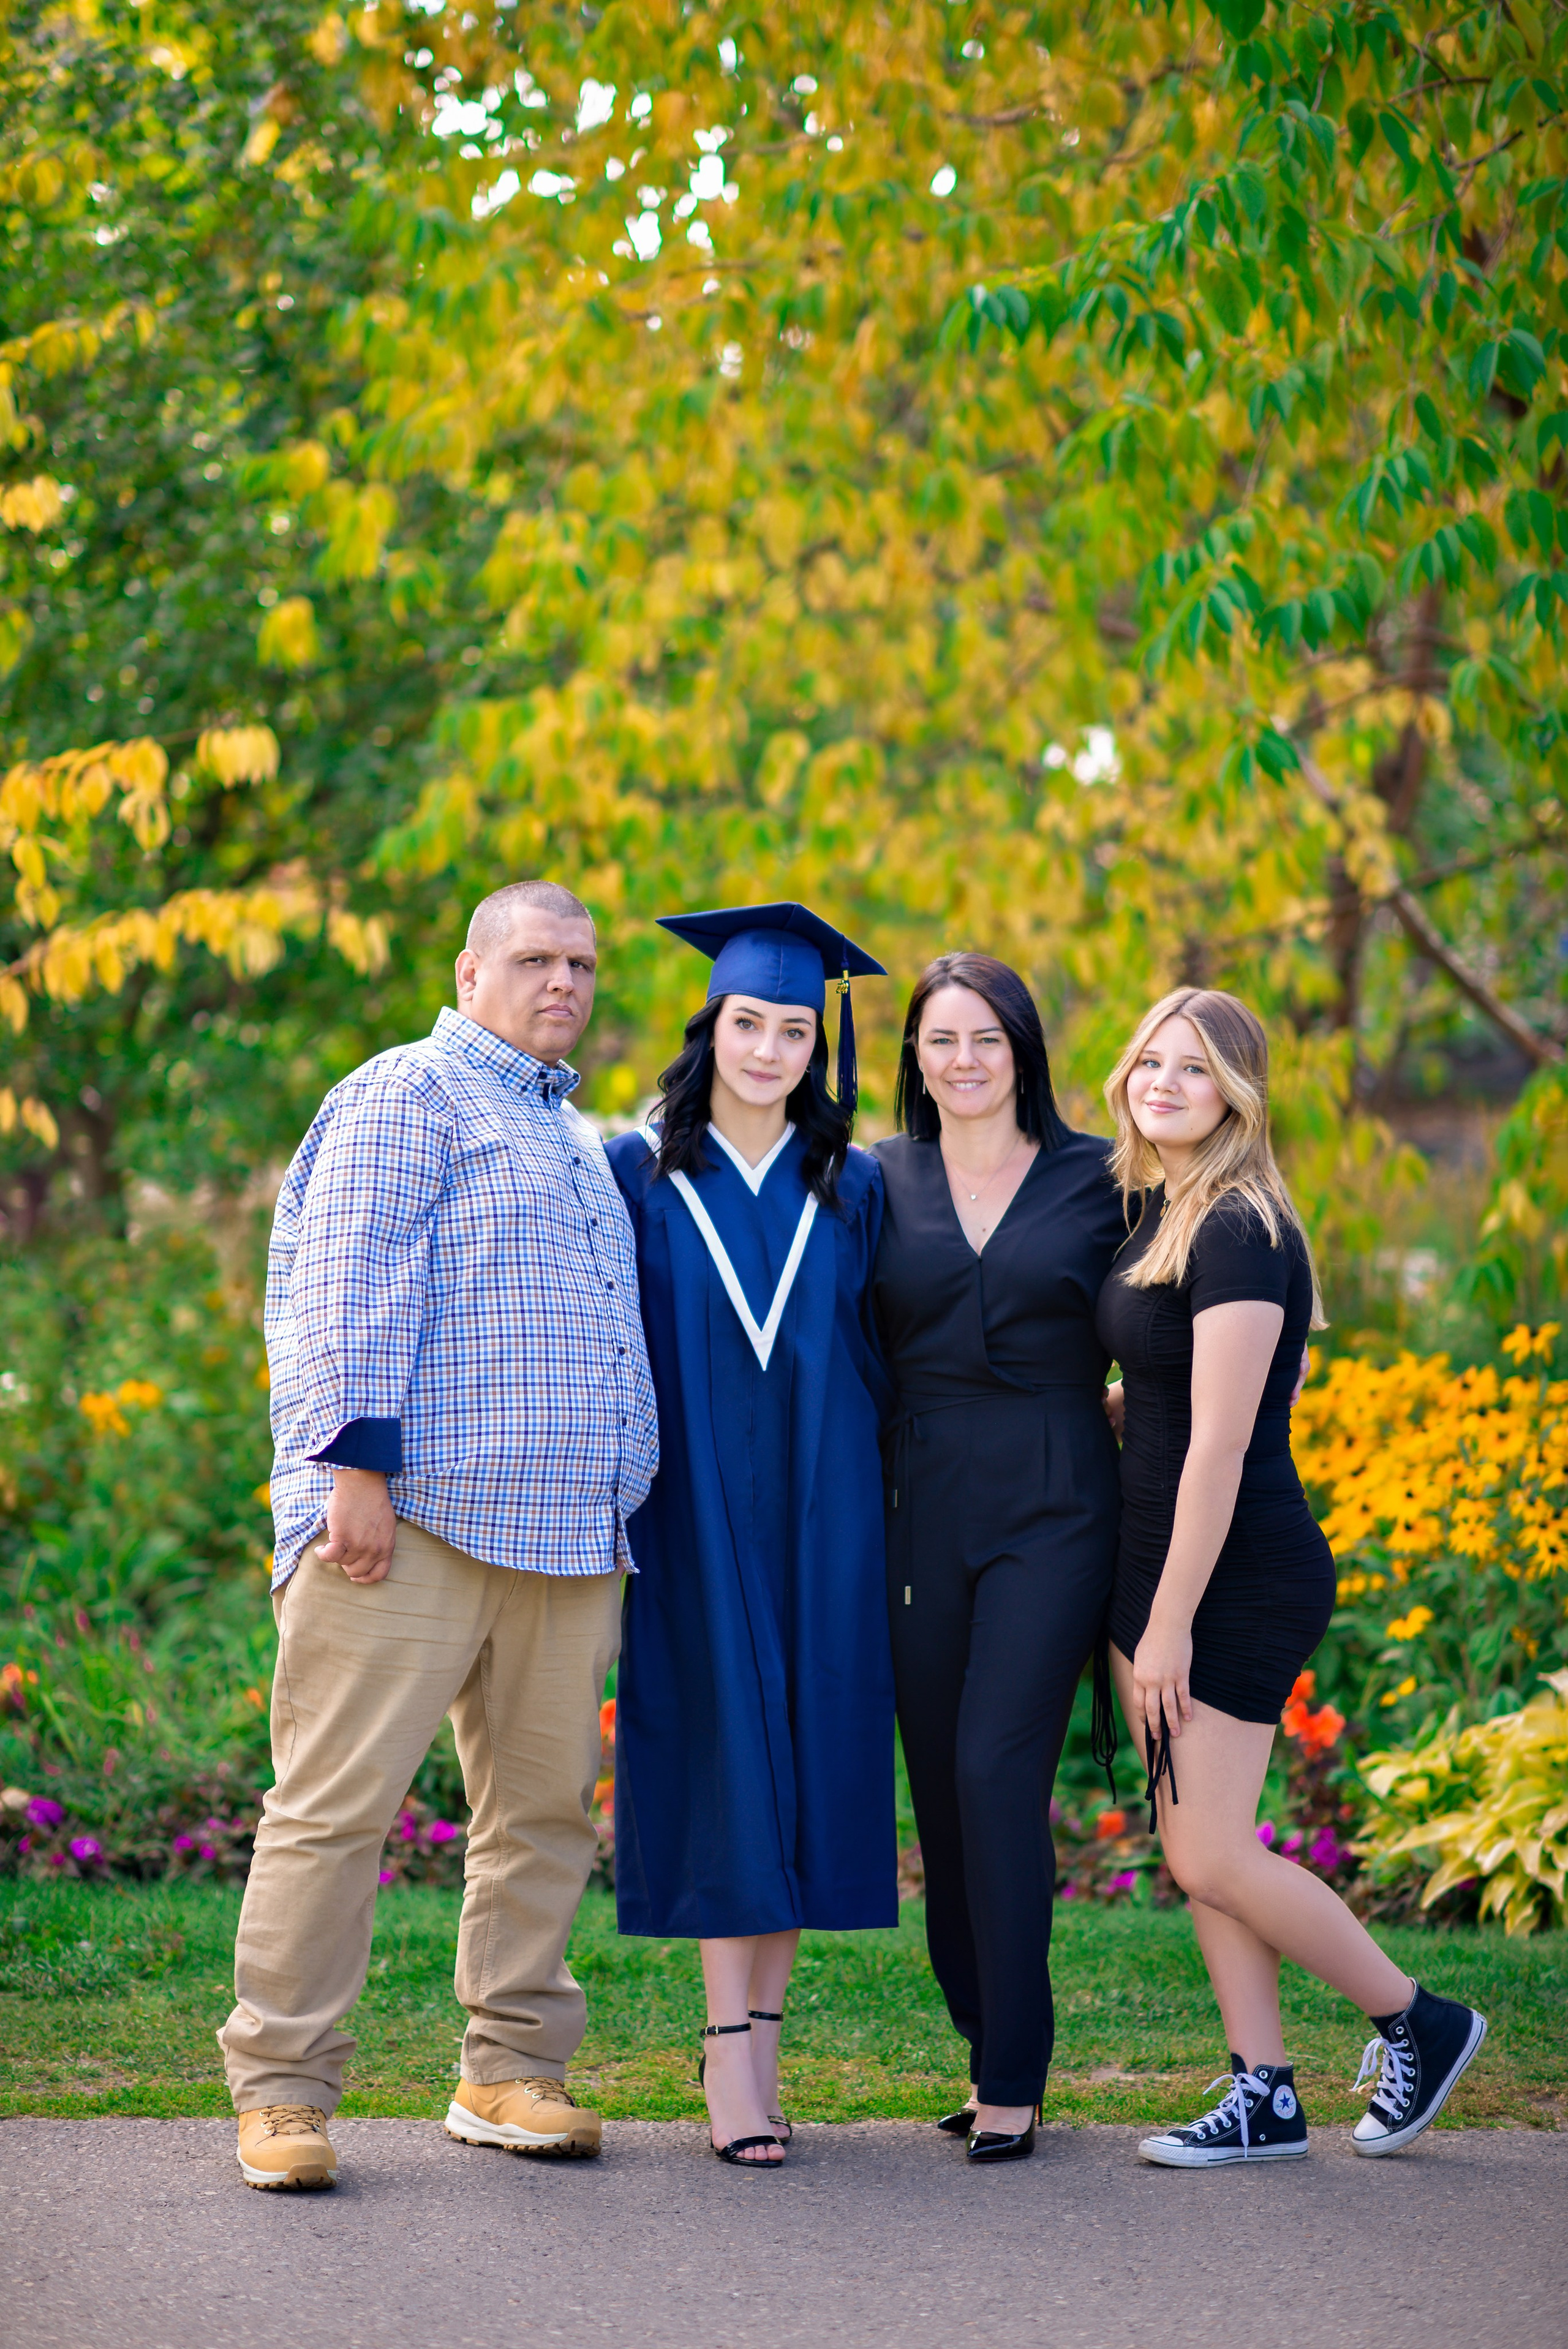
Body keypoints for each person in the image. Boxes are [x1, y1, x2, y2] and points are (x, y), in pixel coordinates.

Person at [220, 879, 658, 2189]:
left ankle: (507, 2068)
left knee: (542, 1818)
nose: (562, 982)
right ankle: (284, 2093)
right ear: (471, 973)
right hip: (408, 1523)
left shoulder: (575, 1135)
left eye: (579, 962)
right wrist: (352, 1461)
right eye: (534, 957)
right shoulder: (407, 1092)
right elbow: (341, 1277)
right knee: (333, 1808)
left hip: (566, 1539)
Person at [1095, 986, 1487, 2167]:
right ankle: (1264, 2090)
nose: (1164, 1083)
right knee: (1197, 1844)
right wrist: (1132, 1404)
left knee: (1210, 1852)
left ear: (1238, 1096)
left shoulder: (1243, 1227)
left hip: (1230, 1578)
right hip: (1157, 1562)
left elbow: (1228, 1445)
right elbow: (1227, 1393)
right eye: (1152, 1061)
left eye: (1196, 1069)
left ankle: (1420, 2020)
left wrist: (1167, 1624)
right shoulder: (1165, 1209)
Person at [606, 903, 895, 2169]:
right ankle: (729, 2054)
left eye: (792, 1028)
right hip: (694, 1515)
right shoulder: (633, 1170)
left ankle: (759, 2049)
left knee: (807, 1762)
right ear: (707, 1027)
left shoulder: (859, 1182)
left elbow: (895, 1345)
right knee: (729, 1759)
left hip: (826, 1514)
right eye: (747, 1023)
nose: (771, 1048)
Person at [870, 952, 1126, 2165]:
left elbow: (1175, 1318)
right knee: (939, 1783)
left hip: (1054, 1502)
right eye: (938, 1041)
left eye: (983, 1038)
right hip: (918, 1507)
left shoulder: (1103, 1177)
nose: (961, 1061)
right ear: (912, 1056)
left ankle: (1014, 2070)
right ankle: (983, 2038)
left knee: (991, 1766)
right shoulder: (875, 1177)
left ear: (1022, 1047)